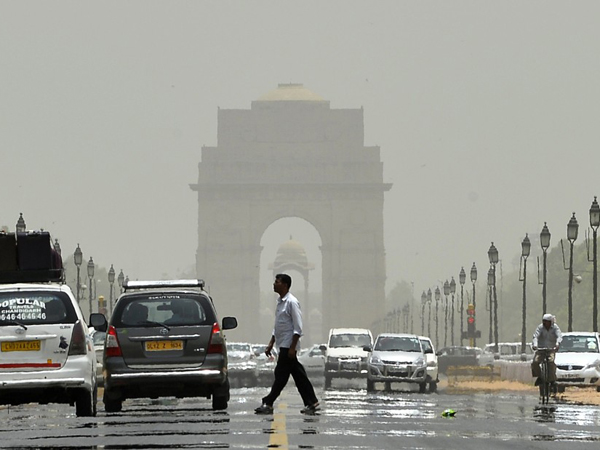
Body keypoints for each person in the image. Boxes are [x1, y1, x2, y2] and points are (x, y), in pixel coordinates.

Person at [254, 273, 320, 415]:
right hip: (282, 344)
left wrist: (292, 347)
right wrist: (271, 343)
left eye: (276, 282)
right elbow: (278, 326)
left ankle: (269, 402)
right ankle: (311, 401)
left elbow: (298, 327)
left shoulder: (292, 302)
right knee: (298, 374)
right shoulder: (280, 302)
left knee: (281, 375)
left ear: (284, 285)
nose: (274, 284)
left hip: (288, 345)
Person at [531, 313, 563, 386]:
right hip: (541, 349)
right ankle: (539, 376)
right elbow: (536, 336)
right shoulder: (540, 327)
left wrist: (557, 344)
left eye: (546, 321)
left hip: (551, 349)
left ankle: (552, 380)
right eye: (544, 321)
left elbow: (559, 336)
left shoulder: (555, 328)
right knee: (535, 362)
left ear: (550, 322)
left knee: (551, 362)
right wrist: (535, 345)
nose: (545, 323)